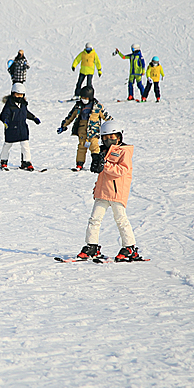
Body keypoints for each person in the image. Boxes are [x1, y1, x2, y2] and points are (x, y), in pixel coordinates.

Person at [79, 120, 142, 262]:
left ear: (119, 137)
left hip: (116, 192)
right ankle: (92, 246)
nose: (109, 140)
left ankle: (129, 247)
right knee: (94, 219)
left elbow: (121, 170)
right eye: (105, 138)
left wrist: (104, 164)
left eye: (112, 137)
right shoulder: (103, 151)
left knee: (121, 219)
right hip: (103, 192)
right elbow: (101, 171)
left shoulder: (124, 152)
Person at [58, 85, 112, 171]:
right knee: (82, 146)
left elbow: (107, 117)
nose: (83, 99)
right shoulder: (78, 106)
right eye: (82, 97)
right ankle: (79, 163)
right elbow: (71, 116)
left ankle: (96, 162)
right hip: (82, 128)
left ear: (90, 97)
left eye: (85, 97)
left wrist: (113, 127)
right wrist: (64, 125)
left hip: (93, 129)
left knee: (94, 146)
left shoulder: (97, 106)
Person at [0, 82, 40, 171]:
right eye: (17, 94)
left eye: (21, 95)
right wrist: (5, 121)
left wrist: (34, 118)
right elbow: (4, 114)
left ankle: (26, 162)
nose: (19, 96)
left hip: (22, 128)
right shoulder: (9, 104)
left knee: (25, 145)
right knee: (7, 145)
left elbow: (25, 113)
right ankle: (4, 160)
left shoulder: (23, 104)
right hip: (11, 128)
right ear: (13, 94)